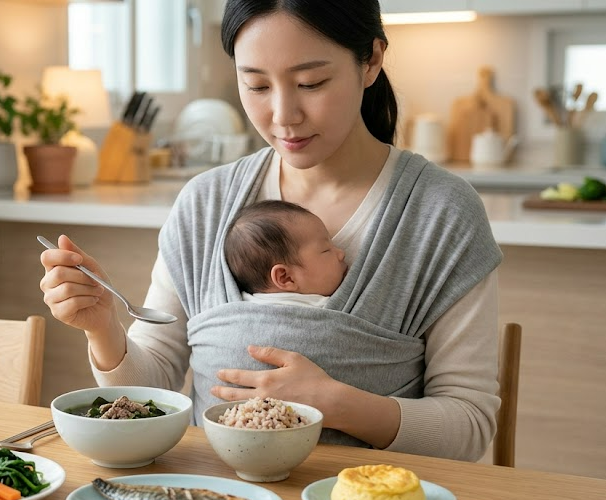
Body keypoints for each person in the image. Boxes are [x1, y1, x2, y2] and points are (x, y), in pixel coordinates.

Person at [39, 0, 502, 461]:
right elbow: (152, 388)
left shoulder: (441, 213)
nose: (284, 115)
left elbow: (469, 428)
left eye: (310, 83)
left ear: (372, 60)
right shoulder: (206, 204)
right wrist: (103, 328)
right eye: (256, 84)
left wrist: (338, 404)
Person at [224, 200, 347, 308]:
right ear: (286, 277)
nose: (341, 254)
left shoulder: (242, 304)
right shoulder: (319, 308)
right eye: (326, 250)